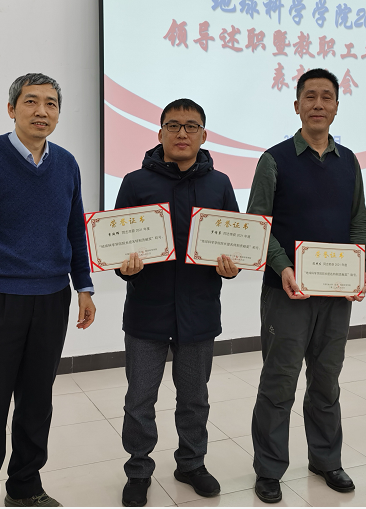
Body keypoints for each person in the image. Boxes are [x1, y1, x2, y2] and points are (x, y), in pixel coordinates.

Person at [0, 73, 96, 507]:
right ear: (12, 109)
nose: (41, 111)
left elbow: (74, 229)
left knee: (37, 401)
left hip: (52, 298)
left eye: (51, 103)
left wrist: (84, 287)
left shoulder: (66, 163)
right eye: (31, 102)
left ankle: (25, 486)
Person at [247, 68, 366, 503]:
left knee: (326, 382)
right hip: (286, 292)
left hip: (336, 294)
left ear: (337, 106)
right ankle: (269, 469)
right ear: (297, 105)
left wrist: (362, 267)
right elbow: (259, 225)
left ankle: (325, 459)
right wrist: (283, 267)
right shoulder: (274, 159)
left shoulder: (349, 161)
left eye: (327, 97)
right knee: (279, 382)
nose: (318, 104)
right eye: (310, 96)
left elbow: (359, 222)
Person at [114, 98, 239, 507]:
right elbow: (115, 245)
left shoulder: (219, 184)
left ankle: (191, 464)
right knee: (139, 398)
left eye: (191, 126)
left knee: (194, 397)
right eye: (173, 125)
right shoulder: (135, 182)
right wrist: (124, 268)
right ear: (160, 132)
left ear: (204, 135)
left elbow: (236, 243)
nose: (182, 133)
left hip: (199, 310)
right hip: (146, 311)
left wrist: (231, 268)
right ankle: (138, 469)